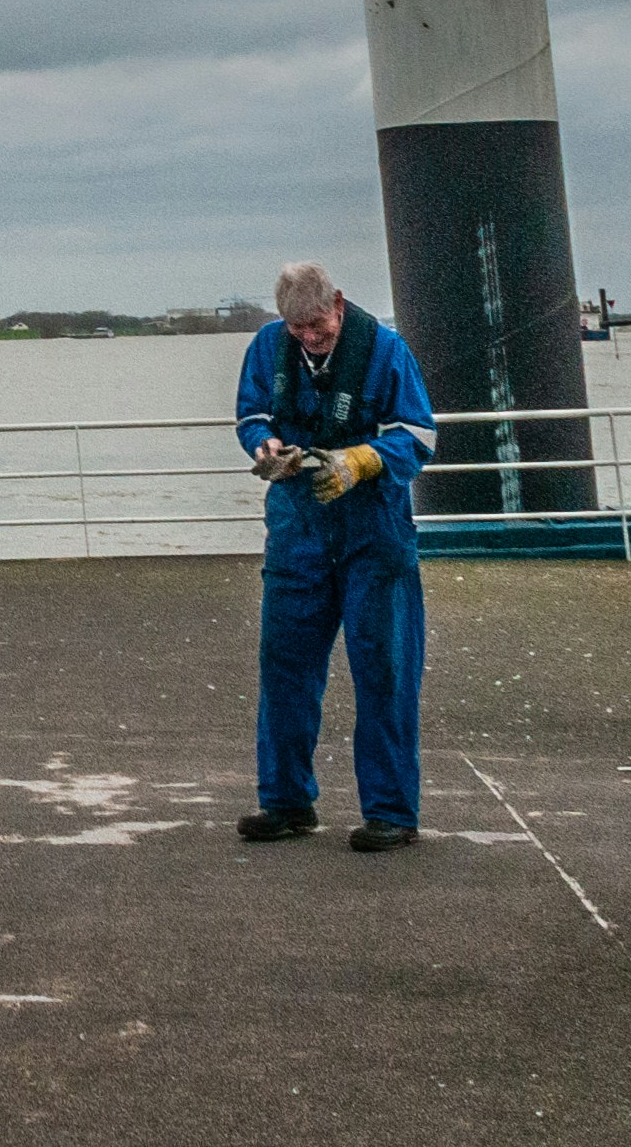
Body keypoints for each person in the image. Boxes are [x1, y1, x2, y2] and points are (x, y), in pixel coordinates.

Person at [232, 260, 437, 850]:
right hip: (297, 532)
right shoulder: (270, 347)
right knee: (285, 667)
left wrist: (363, 461)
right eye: (298, 330)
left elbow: (419, 435)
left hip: (374, 536)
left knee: (386, 670)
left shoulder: (388, 351)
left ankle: (392, 813)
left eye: (318, 327)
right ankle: (286, 803)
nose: (310, 339)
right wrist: (264, 444)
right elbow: (252, 413)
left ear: (339, 305)